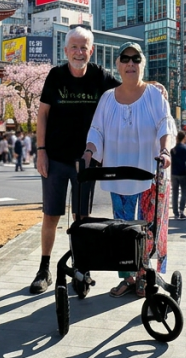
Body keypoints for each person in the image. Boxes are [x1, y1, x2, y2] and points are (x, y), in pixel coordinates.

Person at [30, 26, 119, 294]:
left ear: (91, 51)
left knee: (82, 217)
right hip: (55, 158)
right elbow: (43, 114)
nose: (79, 52)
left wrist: (153, 87)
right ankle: (44, 269)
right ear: (66, 50)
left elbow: (127, 90)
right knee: (51, 215)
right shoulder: (55, 76)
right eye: (74, 47)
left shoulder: (100, 76)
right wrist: (41, 151)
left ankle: (82, 268)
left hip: (87, 161)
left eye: (84, 48)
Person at [84, 41, 174, 297]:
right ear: (118, 65)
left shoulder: (155, 95)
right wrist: (89, 151)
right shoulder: (107, 98)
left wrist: (165, 150)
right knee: (121, 227)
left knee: (147, 228)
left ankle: (145, 276)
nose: (130, 63)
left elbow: (165, 124)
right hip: (118, 175)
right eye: (125, 59)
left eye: (136, 59)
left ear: (143, 64)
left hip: (150, 174)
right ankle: (127, 277)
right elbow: (97, 130)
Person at [170, 130, 186, 220]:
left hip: (173, 173)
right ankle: (181, 211)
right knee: (184, 192)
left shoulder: (173, 148)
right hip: (183, 172)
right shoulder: (185, 148)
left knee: (175, 193)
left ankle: (175, 212)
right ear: (184, 138)